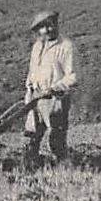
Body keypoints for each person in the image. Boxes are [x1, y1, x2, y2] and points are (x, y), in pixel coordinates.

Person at [23, 10, 78, 167]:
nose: (47, 30)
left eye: (51, 25)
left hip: (55, 99)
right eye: (43, 27)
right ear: (37, 31)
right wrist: (29, 89)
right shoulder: (37, 47)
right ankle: (29, 167)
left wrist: (55, 88)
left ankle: (64, 168)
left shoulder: (66, 46)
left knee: (56, 137)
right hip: (35, 98)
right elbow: (32, 71)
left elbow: (73, 77)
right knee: (31, 136)